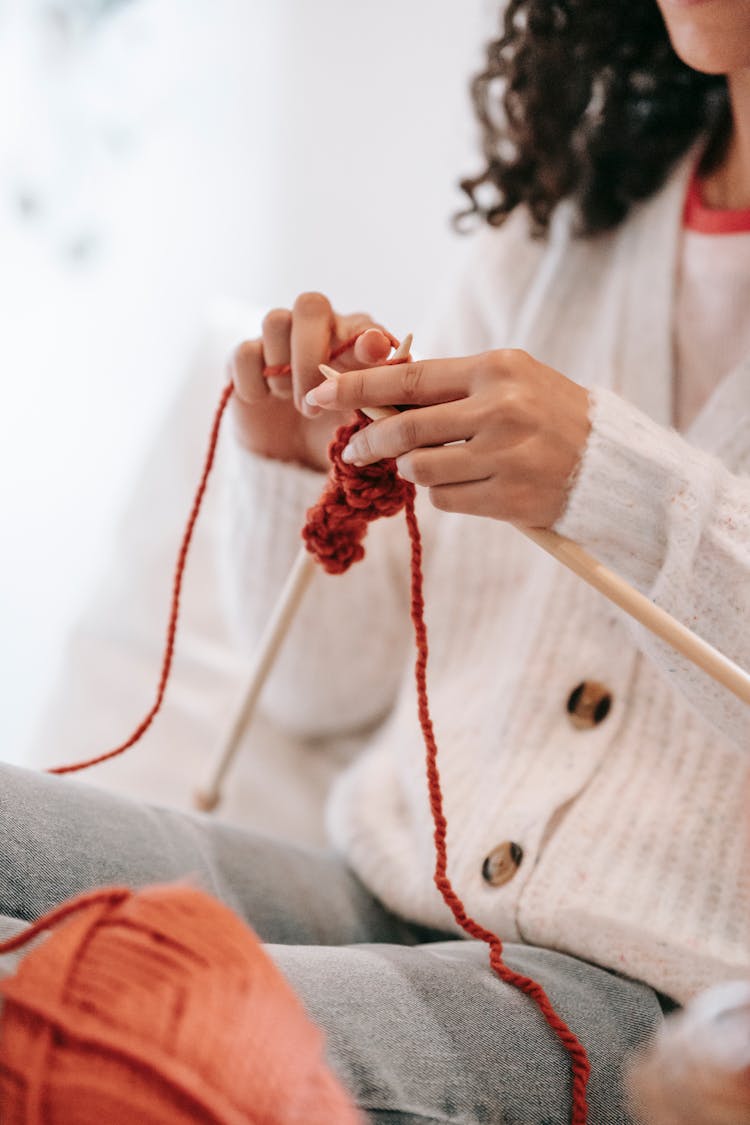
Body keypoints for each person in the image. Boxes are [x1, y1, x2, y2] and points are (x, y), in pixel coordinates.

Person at [2, 1, 749, 1122]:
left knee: (110, 1027)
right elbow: (322, 696)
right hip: (376, 889)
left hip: (657, 997)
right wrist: (301, 475)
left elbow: (620, 492)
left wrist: (620, 485)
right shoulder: (562, 228)